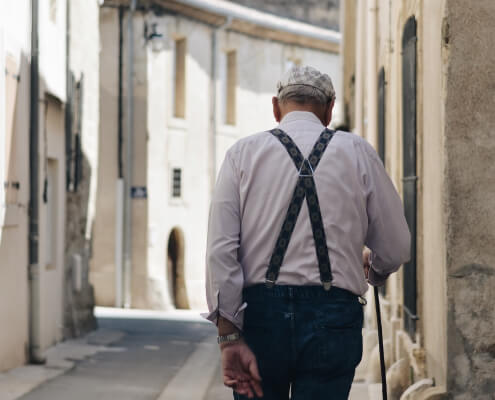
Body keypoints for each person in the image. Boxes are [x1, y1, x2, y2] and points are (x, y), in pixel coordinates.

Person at [204, 66, 410, 400]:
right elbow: (397, 247)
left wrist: (228, 335)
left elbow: (220, 250)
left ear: (276, 107)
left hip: (261, 318)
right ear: (329, 110)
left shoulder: (242, 154)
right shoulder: (357, 151)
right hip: (334, 316)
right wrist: (375, 269)